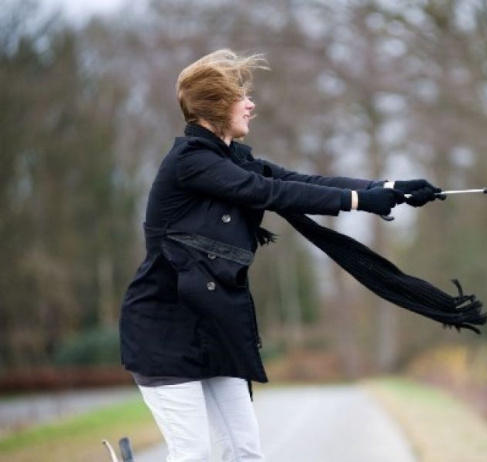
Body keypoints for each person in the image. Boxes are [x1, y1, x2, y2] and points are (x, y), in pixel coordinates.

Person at [118, 49, 442, 461]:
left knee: (245, 451)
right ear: (217, 106)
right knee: (194, 453)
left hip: (216, 327)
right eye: (241, 97)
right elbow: (268, 193)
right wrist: (360, 201)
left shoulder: (234, 158)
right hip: (164, 330)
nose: (251, 104)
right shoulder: (190, 163)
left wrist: (391, 186)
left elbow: (299, 180)